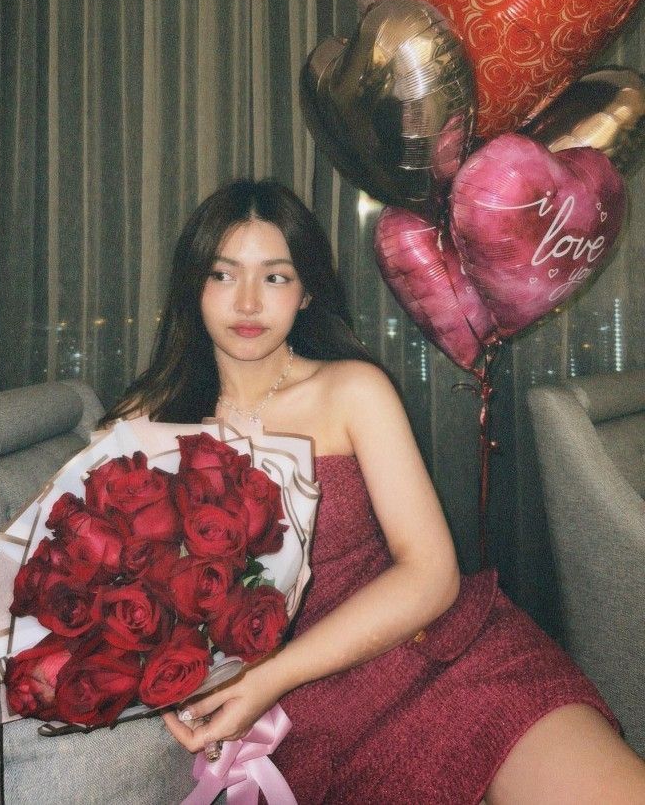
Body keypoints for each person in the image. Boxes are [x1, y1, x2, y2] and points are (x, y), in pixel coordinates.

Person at [103, 179, 645, 803]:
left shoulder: (353, 390)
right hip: (307, 728)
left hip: (438, 660)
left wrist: (275, 675)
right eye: (224, 275)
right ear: (192, 286)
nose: (248, 302)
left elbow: (432, 573)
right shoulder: (144, 424)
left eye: (275, 277)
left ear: (307, 292)